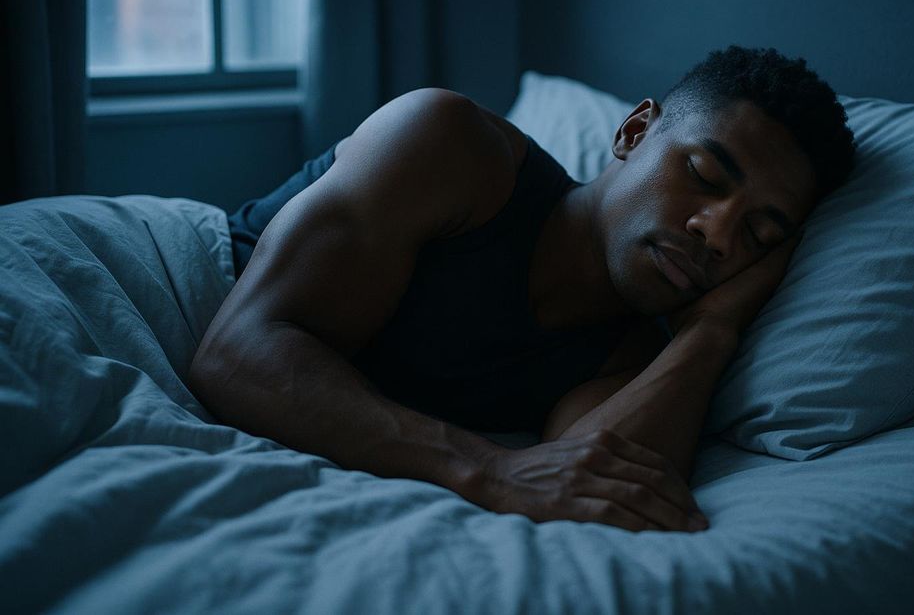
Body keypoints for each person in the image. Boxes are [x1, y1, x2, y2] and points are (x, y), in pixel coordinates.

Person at [187, 45, 856, 534]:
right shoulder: (451, 145)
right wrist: (487, 470)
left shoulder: (628, 359)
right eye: (705, 175)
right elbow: (235, 352)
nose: (717, 234)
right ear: (633, 132)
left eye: (759, 236)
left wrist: (713, 330)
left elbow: (593, 490)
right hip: (168, 276)